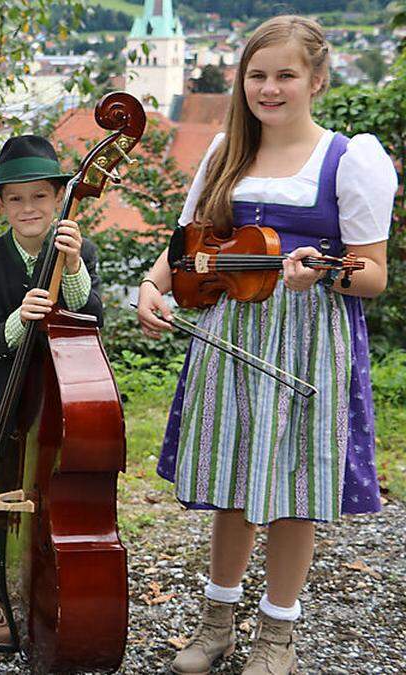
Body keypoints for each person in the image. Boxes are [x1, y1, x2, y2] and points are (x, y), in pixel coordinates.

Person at [135, 15, 395, 675]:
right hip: (230, 330)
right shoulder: (227, 150)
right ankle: (216, 623)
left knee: (294, 486)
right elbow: (189, 241)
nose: (269, 88)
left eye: (285, 75)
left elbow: (373, 273)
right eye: (257, 74)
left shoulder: (348, 158)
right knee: (230, 479)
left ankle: (278, 632)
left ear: (317, 79)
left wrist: (326, 272)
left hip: (310, 335)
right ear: (240, 78)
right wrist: (150, 285)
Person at [0, 134, 102, 651]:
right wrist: (22, 319)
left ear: (60, 199)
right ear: (0, 205)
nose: (28, 208)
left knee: (61, 497)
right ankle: (1, 596)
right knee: (6, 497)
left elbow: (92, 319)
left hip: (66, 396)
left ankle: (55, 585)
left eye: (39, 196)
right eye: (15, 198)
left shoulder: (78, 249)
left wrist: (74, 268)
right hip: (5, 400)